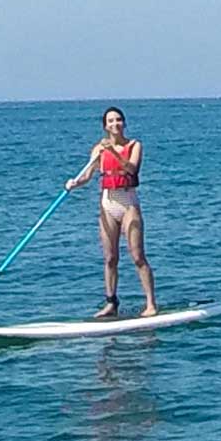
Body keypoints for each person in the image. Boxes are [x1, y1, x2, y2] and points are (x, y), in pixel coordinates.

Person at [66, 107, 157, 319]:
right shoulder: (98, 149)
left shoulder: (135, 145)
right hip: (108, 204)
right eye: (110, 121)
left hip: (128, 204)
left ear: (124, 123)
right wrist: (74, 183)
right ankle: (111, 303)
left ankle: (151, 303)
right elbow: (88, 175)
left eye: (118, 120)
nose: (115, 124)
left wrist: (113, 151)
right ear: (105, 126)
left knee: (137, 256)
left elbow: (131, 169)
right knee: (110, 258)